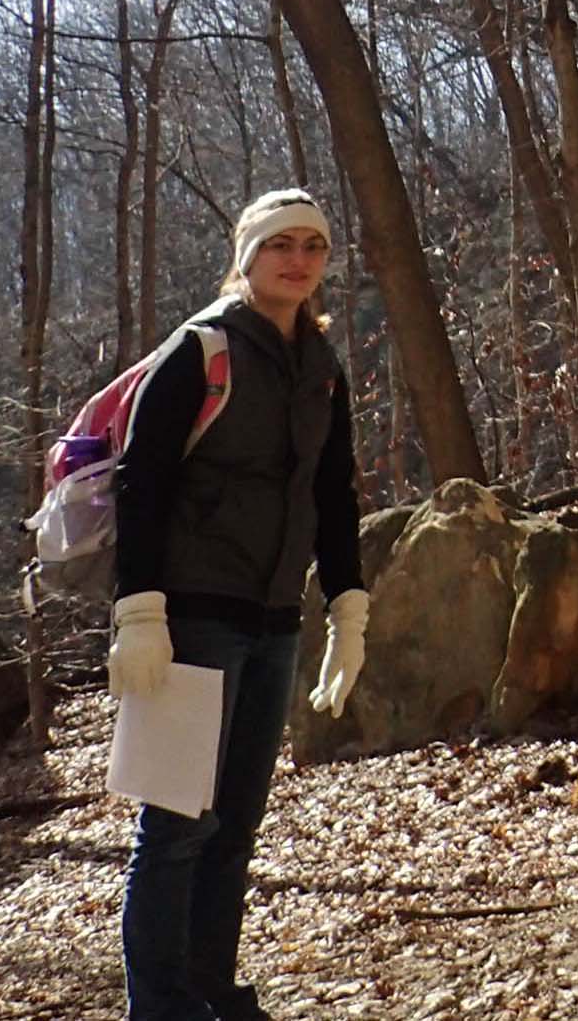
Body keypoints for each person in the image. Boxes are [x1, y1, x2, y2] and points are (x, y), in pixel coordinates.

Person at [111, 189, 372, 1021]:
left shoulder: (322, 369)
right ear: (248, 255)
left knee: (234, 828)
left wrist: (349, 609)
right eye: (279, 245)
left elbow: (335, 493)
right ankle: (162, 1008)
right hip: (191, 617)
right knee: (178, 825)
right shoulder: (203, 349)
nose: (297, 260)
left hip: (273, 620)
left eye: (313, 247)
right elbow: (140, 480)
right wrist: (140, 610)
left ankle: (214, 992)